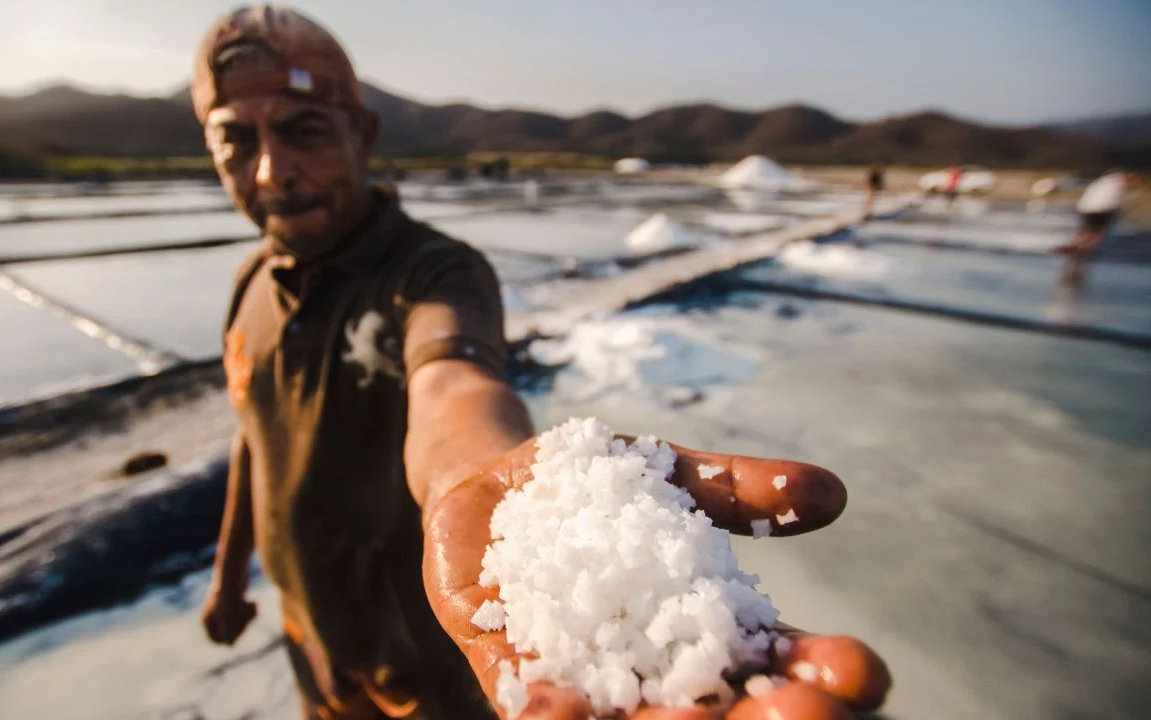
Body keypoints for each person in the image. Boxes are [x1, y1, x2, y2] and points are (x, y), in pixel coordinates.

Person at [193, 6, 892, 719]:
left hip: (427, 670)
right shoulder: (250, 283)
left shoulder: (434, 274)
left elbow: (454, 392)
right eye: (236, 141)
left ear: (361, 132)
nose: (273, 169)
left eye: (303, 130)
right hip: (312, 637)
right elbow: (253, 429)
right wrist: (227, 578)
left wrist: (482, 475)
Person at [1055, 169, 1135, 259]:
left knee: (1085, 229)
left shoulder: (1105, 181)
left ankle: (1074, 246)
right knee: (1096, 231)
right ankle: (1084, 249)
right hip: (1102, 209)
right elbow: (1119, 196)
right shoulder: (1118, 182)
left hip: (1087, 207)